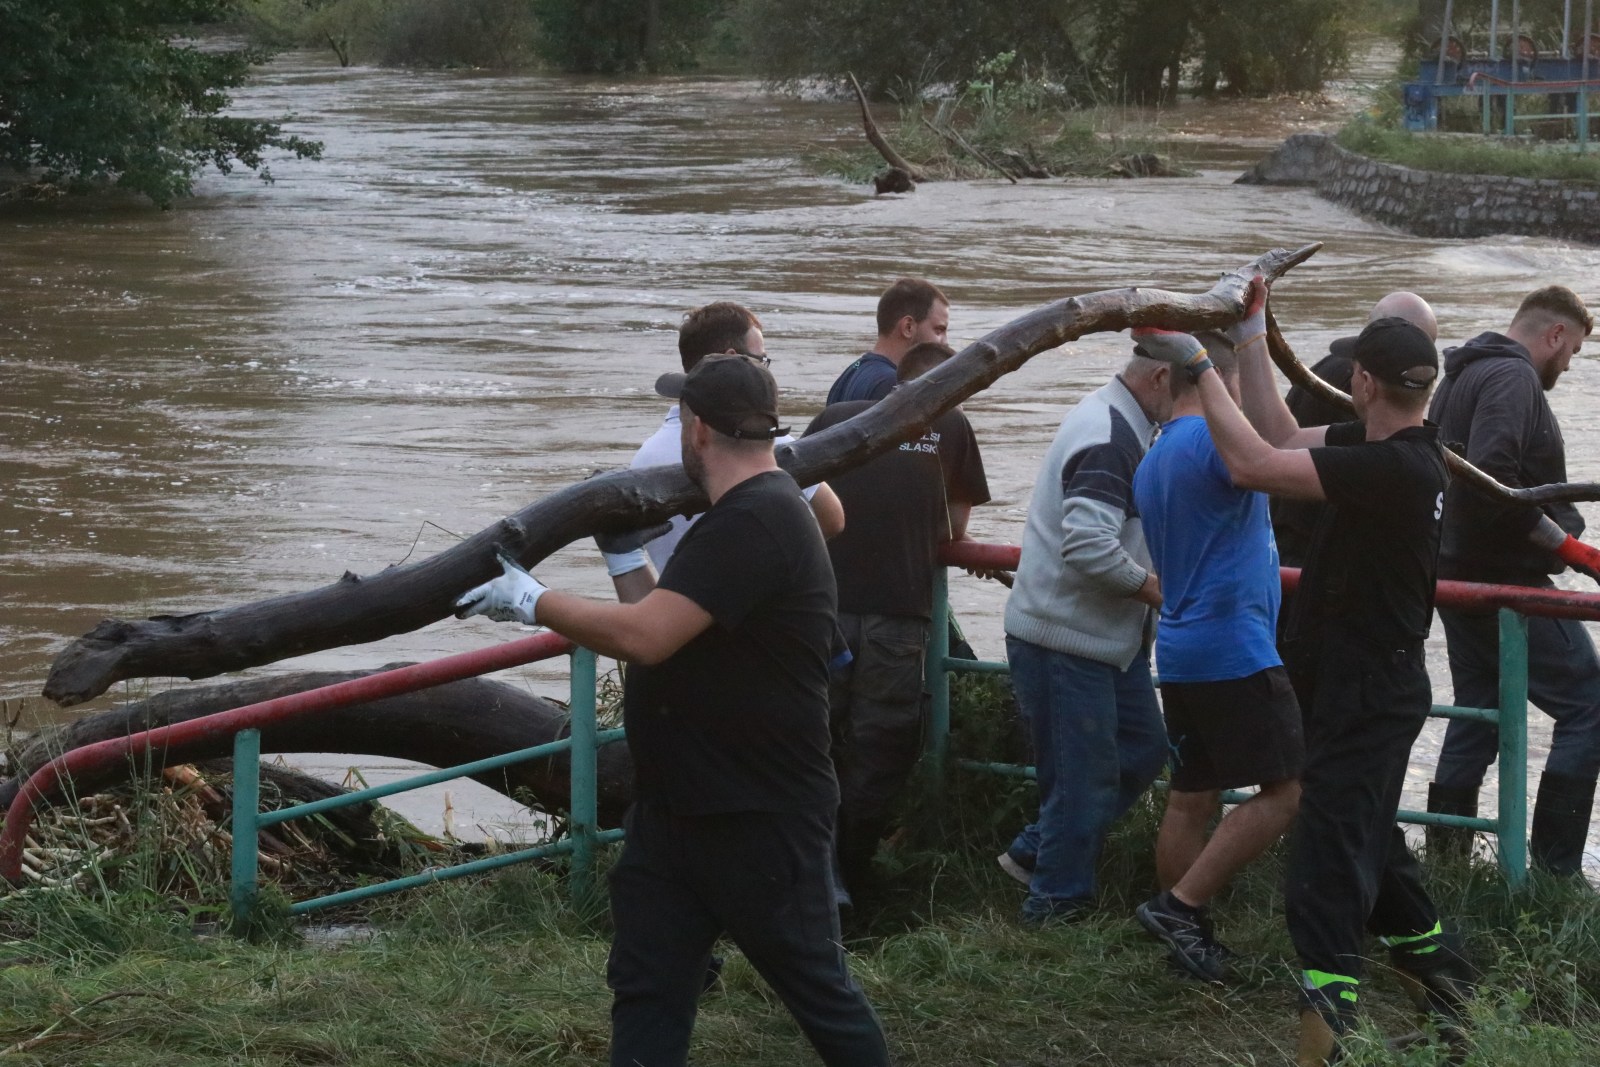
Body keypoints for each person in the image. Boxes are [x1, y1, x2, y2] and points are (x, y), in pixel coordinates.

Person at [455, 355, 891, 1067]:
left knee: (820, 992)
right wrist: (626, 556)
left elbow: (647, 638)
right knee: (648, 985)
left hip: (761, 818)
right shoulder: (743, 516)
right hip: (680, 813)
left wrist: (530, 600)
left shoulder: (761, 520)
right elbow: (671, 627)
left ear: (695, 430)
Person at [1135, 294, 1472, 1064]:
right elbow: (1279, 434)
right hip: (1348, 687)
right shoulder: (1387, 445)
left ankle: (1326, 1046)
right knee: (1375, 854)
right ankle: (1455, 1002)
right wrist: (1251, 336)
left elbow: (1254, 465)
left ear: (1359, 381)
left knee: (1324, 878)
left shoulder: (1392, 468)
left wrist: (1195, 362)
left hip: (1367, 695)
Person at [1130, 331, 1304, 984]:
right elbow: (1266, 456)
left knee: (1191, 797)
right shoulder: (1214, 444)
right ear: (1220, 385)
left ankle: (1186, 940)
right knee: (1286, 789)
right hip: (1235, 648)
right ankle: (1181, 907)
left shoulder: (1155, 456)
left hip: (1180, 647)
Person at [804, 341, 991, 897]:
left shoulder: (833, 419)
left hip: (824, 609)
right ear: (948, 384)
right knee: (880, 750)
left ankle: (811, 873)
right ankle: (851, 878)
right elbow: (955, 531)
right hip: (898, 618)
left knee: (815, 740)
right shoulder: (950, 423)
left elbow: (798, 497)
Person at [1424, 286, 1600, 875]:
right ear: (1553, 335)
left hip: (1454, 575)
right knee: (1590, 704)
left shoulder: (1459, 377)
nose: (1568, 364)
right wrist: (1572, 547)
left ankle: (1449, 865)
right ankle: (1555, 873)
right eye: (1571, 350)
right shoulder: (1513, 378)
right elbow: (1493, 483)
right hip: (1502, 584)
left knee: (1478, 707)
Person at [997, 348, 1172, 925]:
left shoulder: (1124, 422)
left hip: (1099, 637)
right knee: (1084, 778)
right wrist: (1158, 592)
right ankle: (1054, 907)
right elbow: (1088, 545)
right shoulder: (1110, 437)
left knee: (1144, 751)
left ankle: (1035, 851)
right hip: (1065, 638)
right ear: (1162, 377)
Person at [617, 302, 843, 601]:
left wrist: (621, 558)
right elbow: (833, 518)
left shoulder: (644, 456)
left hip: (679, 619)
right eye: (761, 360)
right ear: (732, 361)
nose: (765, 369)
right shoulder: (767, 449)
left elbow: (647, 632)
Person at [1275, 292, 1439, 569]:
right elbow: (1265, 458)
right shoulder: (1357, 384)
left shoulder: (1334, 368)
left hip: (1296, 535)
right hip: (1307, 546)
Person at [826, 279, 950, 405]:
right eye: (939, 330)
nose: (945, 342)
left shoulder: (850, 372)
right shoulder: (895, 387)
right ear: (908, 327)